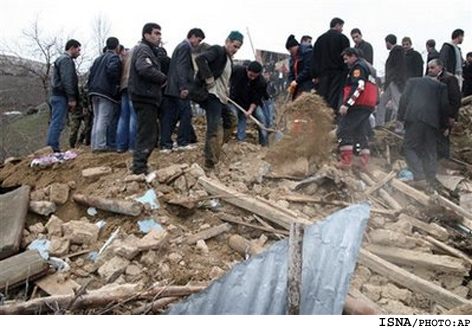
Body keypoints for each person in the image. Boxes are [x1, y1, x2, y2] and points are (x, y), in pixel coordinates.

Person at [195, 31, 243, 169]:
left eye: (238, 48)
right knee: (214, 128)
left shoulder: (229, 60)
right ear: (227, 41)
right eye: (234, 46)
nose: (235, 50)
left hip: (221, 97)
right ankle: (209, 163)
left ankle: (214, 148)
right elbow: (200, 59)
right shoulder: (218, 50)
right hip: (212, 95)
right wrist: (208, 78)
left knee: (232, 121)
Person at [397, 75, 449, 190]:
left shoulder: (413, 81)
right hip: (432, 123)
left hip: (414, 119)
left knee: (409, 147)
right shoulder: (441, 86)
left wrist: (400, 116)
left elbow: (404, 98)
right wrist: (444, 125)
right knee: (430, 151)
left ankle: (419, 176)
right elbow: (444, 106)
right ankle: (430, 181)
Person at [128, 23, 167, 175]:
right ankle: (139, 169)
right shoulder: (143, 49)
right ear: (146, 35)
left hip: (147, 96)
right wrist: (163, 78)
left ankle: (140, 166)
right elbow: (144, 68)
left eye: (160, 33)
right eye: (156, 33)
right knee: (147, 134)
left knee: (149, 132)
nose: (159, 36)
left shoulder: (149, 50)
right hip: (145, 97)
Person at [161, 28, 205, 152]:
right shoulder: (185, 47)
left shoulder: (180, 47)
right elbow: (182, 68)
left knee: (170, 117)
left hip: (172, 88)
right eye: (199, 40)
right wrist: (184, 87)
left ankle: (165, 144)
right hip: (179, 89)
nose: (198, 43)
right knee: (186, 114)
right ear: (193, 36)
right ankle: (182, 142)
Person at [336, 48, 378, 170]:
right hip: (368, 104)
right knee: (360, 131)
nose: (345, 62)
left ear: (353, 56)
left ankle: (346, 161)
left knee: (344, 130)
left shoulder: (358, 67)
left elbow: (358, 86)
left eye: (346, 58)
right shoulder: (370, 68)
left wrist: (347, 104)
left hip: (359, 104)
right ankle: (363, 161)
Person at [88, 37, 122, 152]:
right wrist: (116, 84)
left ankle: (94, 144)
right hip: (106, 91)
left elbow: (91, 74)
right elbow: (112, 71)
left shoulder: (98, 59)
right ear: (117, 46)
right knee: (103, 118)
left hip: (94, 91)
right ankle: (101, 145)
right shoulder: (114, 58)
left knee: (96, 118)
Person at [47, 39, 81, 153]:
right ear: (72, 48)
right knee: (58, 122)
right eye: (78, 49)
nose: (79, 52)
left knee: (57, 122)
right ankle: (52, 148)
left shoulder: (62, 59)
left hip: (58, 95)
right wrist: (72, 98)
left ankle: (52, 146)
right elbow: (67, 80)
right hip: (61, 96)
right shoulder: (66, 60)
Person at [311, 17, 350, 111]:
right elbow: (347, 58)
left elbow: (314, 59)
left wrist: (314, 74)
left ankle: (322, 118)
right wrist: (347, 72)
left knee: (323, 98)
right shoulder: (343, 38)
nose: (342, 29)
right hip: (338, 74)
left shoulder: (320, 39)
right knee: (334, 98)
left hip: (323, 74)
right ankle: (332, 119)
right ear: (337, 25)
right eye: (341, 26)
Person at [427, 59, 461, 160]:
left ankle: (444, 160)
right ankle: (435, 159)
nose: (430, 70)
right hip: (435, 114)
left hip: (446, 114)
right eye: (429, 68)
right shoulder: (431, 79)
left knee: (443, 137)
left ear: (440, 67)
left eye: (432, 68)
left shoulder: (449, 79)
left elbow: (455, 99)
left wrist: (452, 116)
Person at [230, 61, 269, 146]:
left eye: (255, 76)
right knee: (235, 117)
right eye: (251, 75)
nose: (252, 78)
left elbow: (256, 99)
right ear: (247, 70)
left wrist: (250, 110)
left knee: (261, 119)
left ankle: (265, 144)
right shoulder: (237, 70)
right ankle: (240, 141)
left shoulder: (261, 82)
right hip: (235, 101)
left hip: (251, 103)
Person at [375, 34, 406, 127]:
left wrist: (394, 79)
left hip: (395, 82)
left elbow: (398, 68)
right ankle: (379, 124)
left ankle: (399, 127)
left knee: (397, 105)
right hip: (390, 82)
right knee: (381, 103)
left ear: (388, 42)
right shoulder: (397, 52)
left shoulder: (397, 51)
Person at [116, 47, 137, 153]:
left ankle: (120, 145)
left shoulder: (126, 55)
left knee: (123, 116)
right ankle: (133, 146)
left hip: (123, 85)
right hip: (133, 85)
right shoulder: (140, 51)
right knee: (134, 115)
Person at [285, 34, 315, 100]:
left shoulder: (307, 52)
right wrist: (291, 81)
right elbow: (291, 72)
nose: (290, 52)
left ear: (295, 46)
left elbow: (308, 69)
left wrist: (297, 80)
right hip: (297, 85)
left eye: (290, 49)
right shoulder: (292, 58)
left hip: (306, 84)